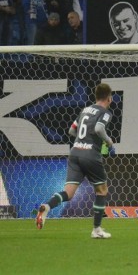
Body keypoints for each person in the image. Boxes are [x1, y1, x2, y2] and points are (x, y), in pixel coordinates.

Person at [36, 83, 117, 239]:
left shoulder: (85, 110)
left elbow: (71, 130)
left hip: (75, 153)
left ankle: (47, 206)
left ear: (95, 96)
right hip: (90, 155)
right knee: (102, 191)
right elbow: (100, 129)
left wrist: (82, 139)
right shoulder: (105, 112)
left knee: (68, 193)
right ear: (109, 98)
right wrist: (109, 142)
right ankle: (96, 229)